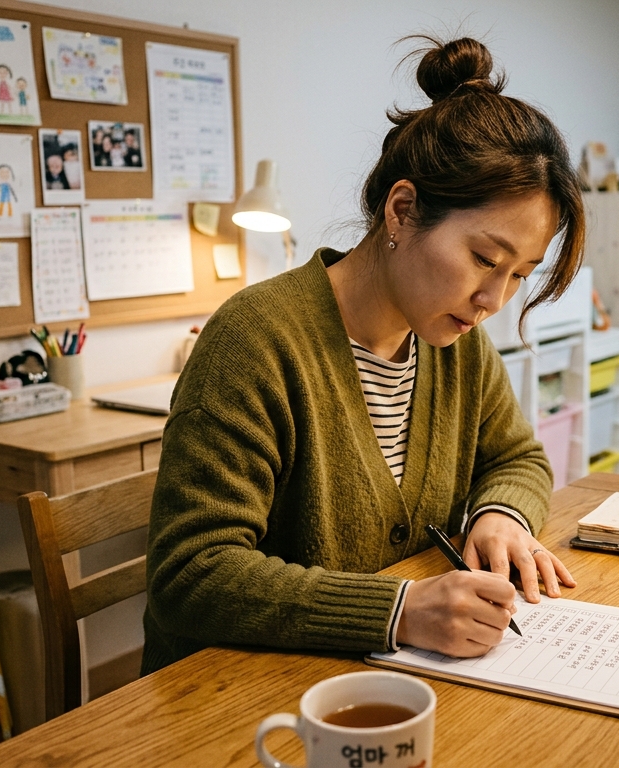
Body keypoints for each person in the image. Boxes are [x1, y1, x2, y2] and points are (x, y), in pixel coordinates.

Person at [143, 36, 584, 673]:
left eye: (519, 274)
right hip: (231, 695)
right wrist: (400, 610)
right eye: (484, 258)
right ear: (401, 211)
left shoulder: (456, 341)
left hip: (380, 680)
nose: (493, 299)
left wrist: (502, 514)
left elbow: (516, 456)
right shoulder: (256, 340)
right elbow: (191, 572)